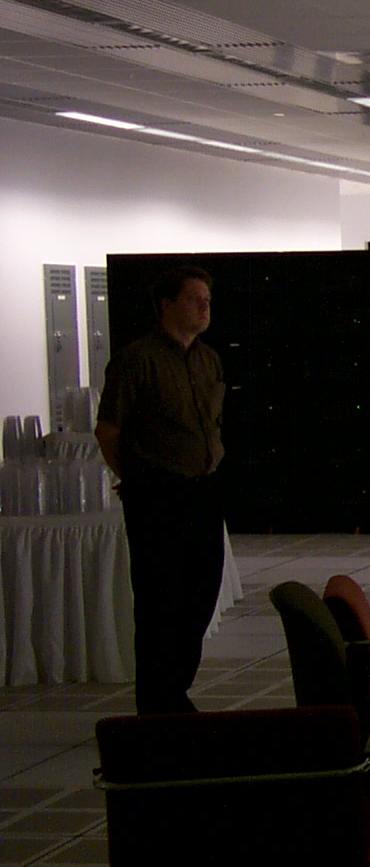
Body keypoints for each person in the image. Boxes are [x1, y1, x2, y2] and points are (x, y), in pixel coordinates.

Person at [95, 266, 225, 715]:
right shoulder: (137, 360)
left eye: (207, 299)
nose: (204, 306)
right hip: (158, 496)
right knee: (160, 601)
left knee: (201, 594)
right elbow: (108, 430)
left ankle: (175, 691)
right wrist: (135, 477)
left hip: (203, 491)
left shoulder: (208, 360)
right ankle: (158, 704)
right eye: (194, 298)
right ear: (167, 305)